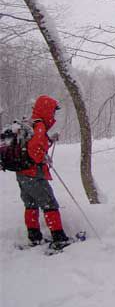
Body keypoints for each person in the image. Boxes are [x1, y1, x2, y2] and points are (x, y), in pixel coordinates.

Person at [16, 95, 71, 250]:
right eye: (53, 111)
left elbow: (32, 146)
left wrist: (50, 140)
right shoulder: (39, 126)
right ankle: (59, 239)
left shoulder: (30, 123)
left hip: (22, 173)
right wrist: (43, 159)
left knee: (30, 204)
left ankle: (34, 238)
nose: (53, 114)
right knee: (50, 204)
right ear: (46, 109)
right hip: (34, 174)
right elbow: (35, 151)